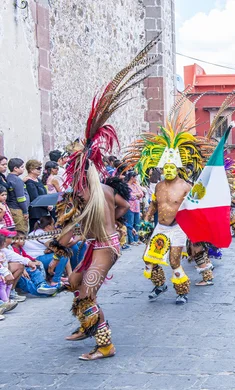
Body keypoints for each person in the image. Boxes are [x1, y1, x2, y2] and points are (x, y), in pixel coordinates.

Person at [53, 37, 157, 361]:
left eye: (75, 168)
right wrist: (117, 223)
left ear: (81, 169)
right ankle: (86, 326)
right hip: (100, 244)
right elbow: (124, 207)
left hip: (105, 248)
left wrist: (64, 242)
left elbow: (75, 231)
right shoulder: (100, 191)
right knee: (74, 284)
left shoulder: (92, 192)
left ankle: (105, 344)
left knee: (86, 294)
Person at [129, 110, 204, 305]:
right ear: (162, 169)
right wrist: (146, 221)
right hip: (160, 227)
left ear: (177, 169)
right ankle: (160, 285)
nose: (168, 170)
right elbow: (154, 204)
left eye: (172, 168)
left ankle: (182, 291)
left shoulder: (186, 186)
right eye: (166, 168)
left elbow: (195, 207)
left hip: (178, 229)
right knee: (149, 258)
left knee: (174, 261)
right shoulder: (159, 186)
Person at [24, 159, 49, 231]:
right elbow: (35, 198)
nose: (40, 170)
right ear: (31, 169)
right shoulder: (29, 182)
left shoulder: (38, 179)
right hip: (36, 212)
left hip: (43, 210)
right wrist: (47, 205)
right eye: (38, 168)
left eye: (40, 168)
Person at [6, 158, 29, 233]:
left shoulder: (8, 178)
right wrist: (25, 211)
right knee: (21, 231)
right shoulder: (17, 180)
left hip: (12, 208)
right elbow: (21, 198)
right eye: (22, 167)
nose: (23, 169)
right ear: (15, 168)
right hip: (18, 209)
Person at [125, 171, 144, 246]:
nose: (136, 178)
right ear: (132, 177)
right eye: (135, 177)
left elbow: (142, 193)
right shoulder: (126, 186)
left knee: (137, 223)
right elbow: (129, 196)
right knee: (130, 223)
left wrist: (136, 195)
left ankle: (136, 239)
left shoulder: (136, 185)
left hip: (137, 207)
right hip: (130, 207)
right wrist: (136, 195)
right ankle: (131, 240)